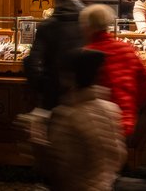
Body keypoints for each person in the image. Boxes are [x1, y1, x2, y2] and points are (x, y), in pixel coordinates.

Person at [46, 48, 126, 191]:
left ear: (70, 77)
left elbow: (61, 168)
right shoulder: (112, 109)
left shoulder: (67, 115)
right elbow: (119, 156)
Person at [81, 3, 146, 138]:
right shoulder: (126, 49)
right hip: (127, 121)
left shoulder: (87, 53)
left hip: (97, 126)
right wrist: (132, 103)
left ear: (88, 27)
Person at [23, 0, 85, 110]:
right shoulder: (86, 23)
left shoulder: (47, 26)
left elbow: (33, 62)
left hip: (53, 92)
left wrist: (42, 87)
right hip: (80, 93)